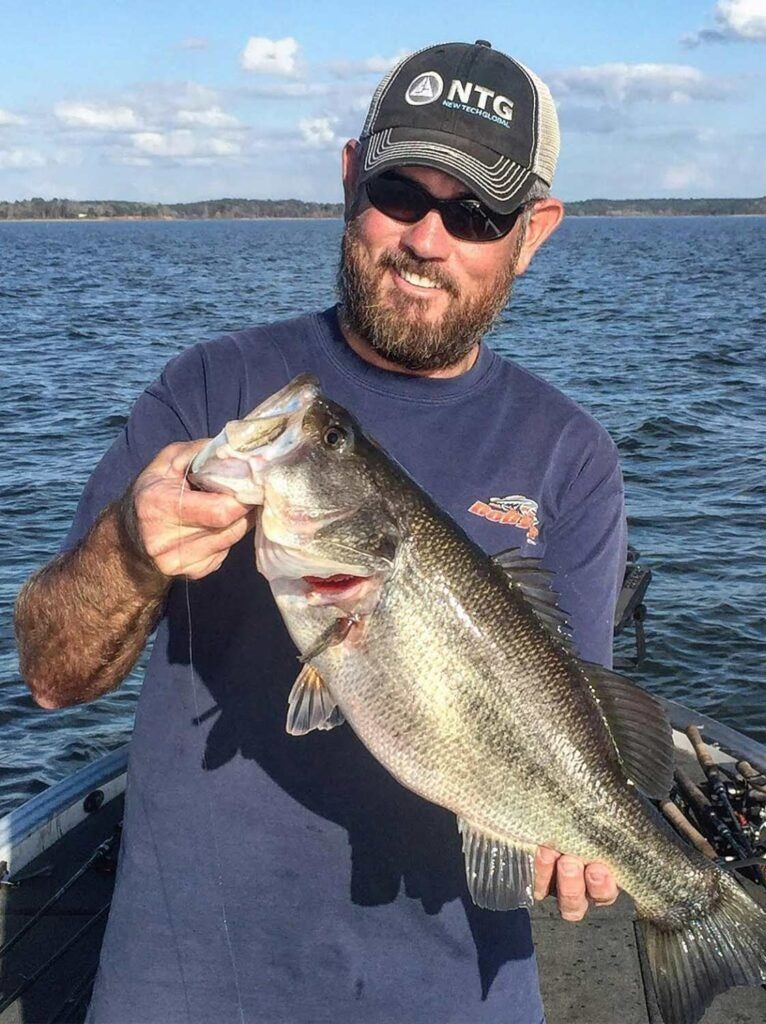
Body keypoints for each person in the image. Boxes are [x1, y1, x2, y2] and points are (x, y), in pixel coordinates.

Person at [15, 41, 627, 1024]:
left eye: (474, 214)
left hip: (449, 991)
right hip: (185, 979)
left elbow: (570, 731)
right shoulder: (210, 391)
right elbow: (50, 672)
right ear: (349, 180)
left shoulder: (571, 455)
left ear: (534, 231)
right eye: (399, 192)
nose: (426, 238)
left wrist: (584, 836)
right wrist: (130, 546)